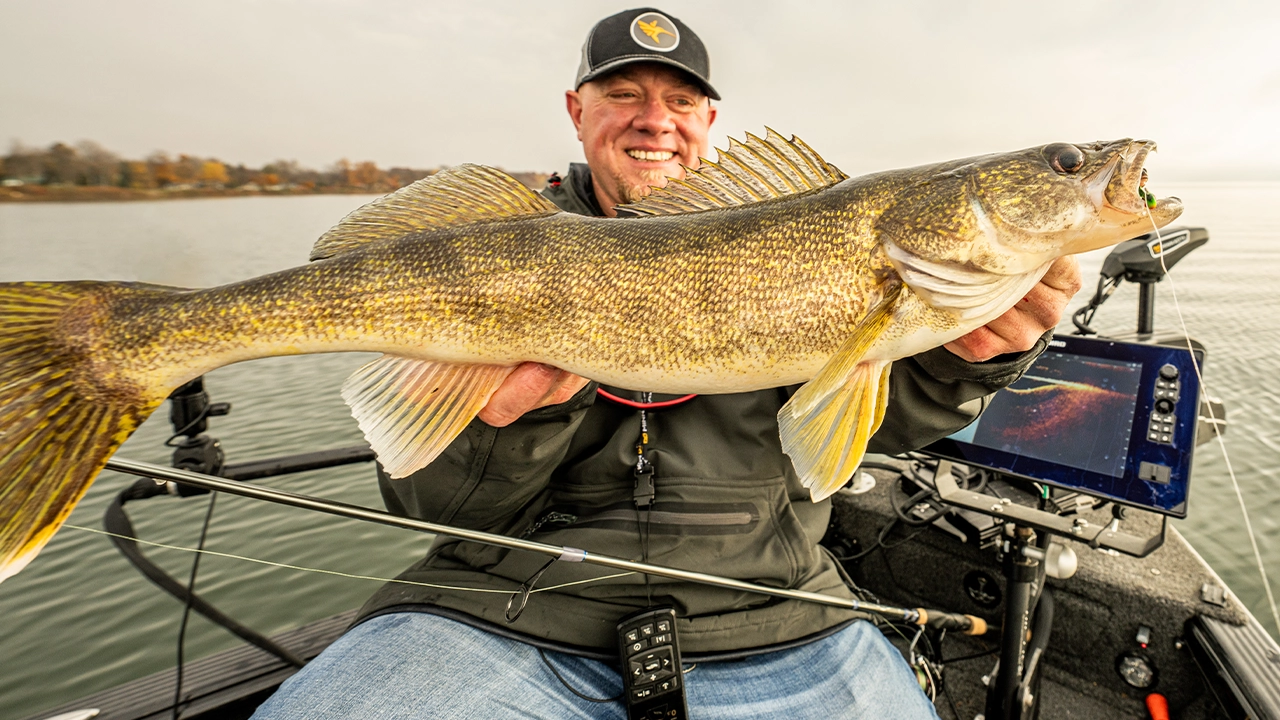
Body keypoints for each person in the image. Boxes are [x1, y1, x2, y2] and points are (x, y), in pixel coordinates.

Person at [254, 8, 1080, 719]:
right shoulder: (504, 240)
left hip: (778, 612)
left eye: (681, 100)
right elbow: (435, 503)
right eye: (624, 95)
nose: (656, 120)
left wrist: (967, 362)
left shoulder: (804, 229)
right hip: (501, 613)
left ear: (708, 124)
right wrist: (520, 414)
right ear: (576, 112)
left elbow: (871, 421)